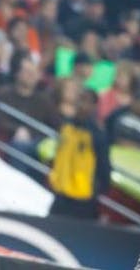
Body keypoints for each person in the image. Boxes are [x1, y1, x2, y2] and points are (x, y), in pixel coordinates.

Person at [48, 88, 111, 220]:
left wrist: (95, 191)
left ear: (94, 106)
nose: (81, 104)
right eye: (80, 99)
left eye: (86, 101)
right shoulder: (66, 126)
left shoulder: (97, 135)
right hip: (61, 194)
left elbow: (104, 169)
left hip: (83, 200)